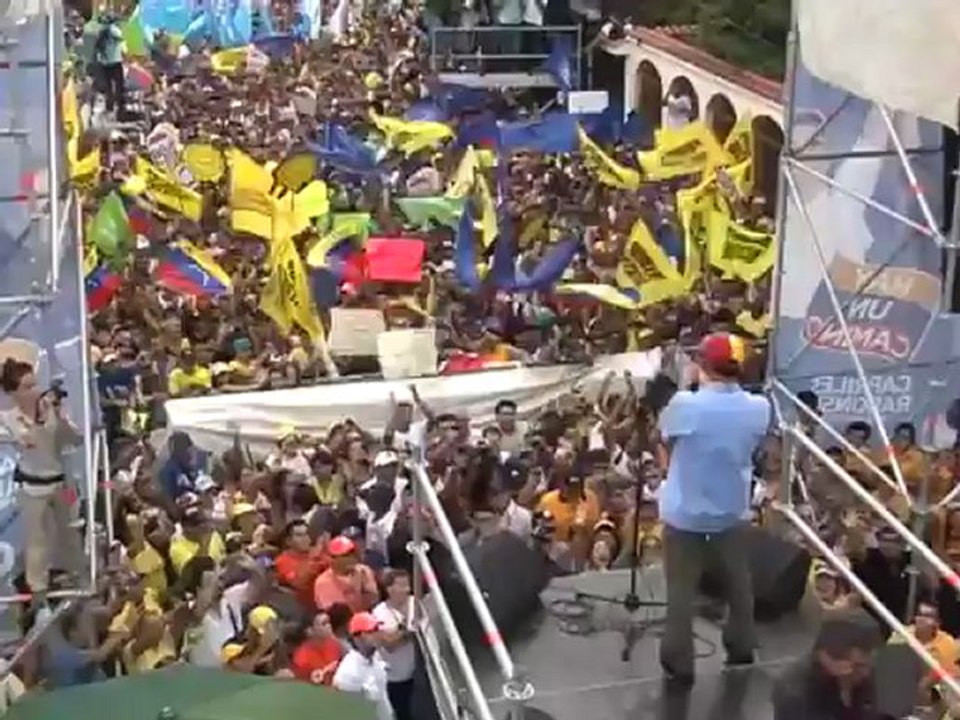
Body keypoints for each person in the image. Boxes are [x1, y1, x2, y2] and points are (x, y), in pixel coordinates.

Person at [657, 333, 770, 682]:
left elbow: (666, 437)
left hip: (685, 517)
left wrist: (686, 389)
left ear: (703, 365)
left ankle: (679, 664)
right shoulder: (759, 407)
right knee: (739, 586)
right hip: (730, 513)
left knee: (681, 593)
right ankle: (741, 648)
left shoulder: (687, 405)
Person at [0, 359, 83, 598]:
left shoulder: (52, 409)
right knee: (37, 541)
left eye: (35, 384)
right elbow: (27, 441)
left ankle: (80, 575)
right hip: (32, 487)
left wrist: (62, 418)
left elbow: (75, 439)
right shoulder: (8, 418)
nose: (35, 391)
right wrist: (34, 424)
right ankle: (38, 593)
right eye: (27, 387)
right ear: (13, 393)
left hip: (63, 484)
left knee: (71, 530)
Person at [772, 610, 881, 720]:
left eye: (869, 664)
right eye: (857, 666)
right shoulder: (794, 694)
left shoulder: (862, 677)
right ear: (827, 659)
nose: (866, 673)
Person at [333, 611, 394, 720]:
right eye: (371, 631)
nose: (378, 634)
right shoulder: (347, 674)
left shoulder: (376, 656)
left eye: (377, 629)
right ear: (357, 638)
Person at [372, 570, 416, 720]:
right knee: (403, 713)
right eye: (401, 585)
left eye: (408, 585)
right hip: (395, 676)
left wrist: (402, 634)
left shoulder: (415, 603)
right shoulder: (379, 613)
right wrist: (407, 629)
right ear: (389, 589)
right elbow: (390, 644)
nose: (407, 589)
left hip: (418, 672)